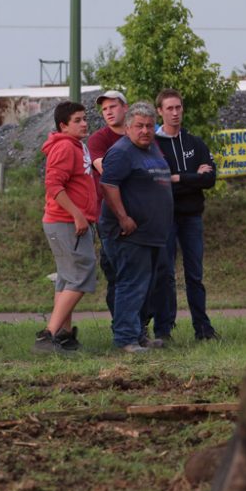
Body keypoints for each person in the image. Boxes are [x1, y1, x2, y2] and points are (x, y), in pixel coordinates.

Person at [99, 102, 174, 353]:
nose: (145, 131)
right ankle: (125, 339)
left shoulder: (152, 148)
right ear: (128, 127)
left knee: (147, 287)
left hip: (153, 234)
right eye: (139, 126)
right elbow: (109, 185)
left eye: (149, 126)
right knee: (131, 285)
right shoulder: (121, 152)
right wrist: (123, 217)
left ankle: (139, 334)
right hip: (129, 234)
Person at [154, 88, 220, 341]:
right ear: (160, 111)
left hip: (192, 217)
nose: (174, 113)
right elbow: (157, 180)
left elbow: (210, 178)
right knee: (165, 274)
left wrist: (179, 177)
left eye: (178, 107)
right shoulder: (154, 145)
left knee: (195, 274)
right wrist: (194, 178)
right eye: (169, 108)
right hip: (165, 217)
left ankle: (203, 329)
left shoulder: (195, 142)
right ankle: (163, 330)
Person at [35, 101, 99, 354]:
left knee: (67, 278)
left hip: (68, 221)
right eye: (77, 120)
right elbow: (53, 185)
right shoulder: (64, 147)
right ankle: (48, 335)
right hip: (65, 221)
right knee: (82, 274)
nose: (84, 123)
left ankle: (63, 336)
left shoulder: (77, 146)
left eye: (85, 119)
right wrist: (77, 214)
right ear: (63, 125)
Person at [88, 90, 128, 316]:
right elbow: (108, 171)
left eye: (112, 106)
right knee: (116, 273)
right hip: (110, 215)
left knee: (145, 274)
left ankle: (138, 326)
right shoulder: (99, 139)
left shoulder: (137, 134)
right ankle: (120, 327)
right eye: (104, 109)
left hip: (140, 212)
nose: (108, 112)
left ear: (125, 107)